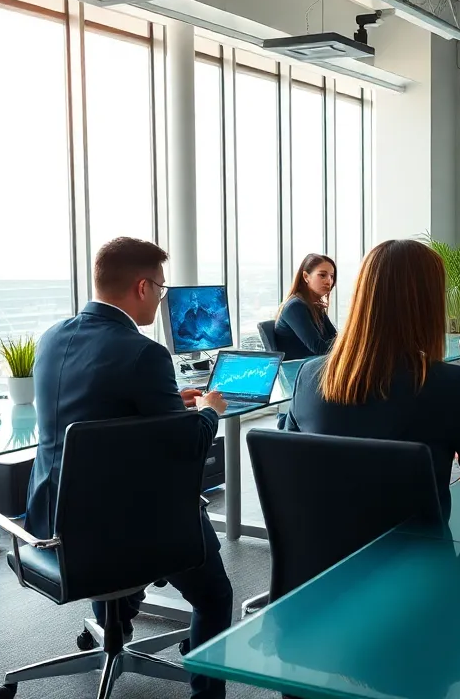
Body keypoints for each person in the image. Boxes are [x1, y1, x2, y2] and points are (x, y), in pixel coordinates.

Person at [25, 237, 232, 699]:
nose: (161, 298)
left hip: (52, 521)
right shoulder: (144, 354)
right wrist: (210, 409)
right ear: (142, 286)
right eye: (160, 288)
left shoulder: (53, 336)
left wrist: (163, 406)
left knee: (114, 508)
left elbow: (99, 418)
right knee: (215, 596)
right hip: (124, 531)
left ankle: (115, 617)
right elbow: (190, 447)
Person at [286, 239, 460, 513]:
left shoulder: (309, 377)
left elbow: (290, 469)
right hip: (419, 552)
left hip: (327, 553)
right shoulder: (448, 386)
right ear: (427, 304)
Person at [274, 254, 338, 360]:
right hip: (299, 369)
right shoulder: (294, 307)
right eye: (322, 275)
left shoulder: (315, 306)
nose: (329, 281)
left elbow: (333, 337)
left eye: (331, 276)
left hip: (314, 364)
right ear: (306, 276)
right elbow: (319, 348)